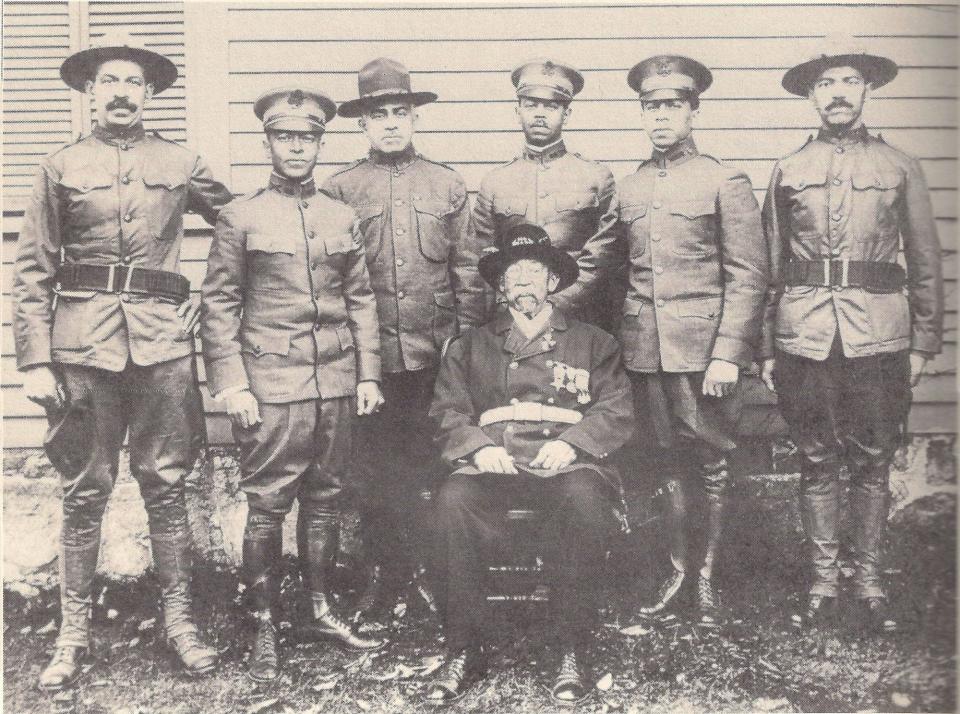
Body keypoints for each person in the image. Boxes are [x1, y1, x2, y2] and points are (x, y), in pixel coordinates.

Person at [13, 32, 232, 690]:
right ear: (89, 92)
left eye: (133, 83)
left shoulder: (182, 159)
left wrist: (213, 298)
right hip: (81, 346)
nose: (121, 93)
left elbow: (246, 227)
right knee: (85, 489)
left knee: (166, 484)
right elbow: (32, 272)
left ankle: (179, 623)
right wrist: (34, 360)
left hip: (163, 345)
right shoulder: (58, 166)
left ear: (150, 92)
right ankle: (72, 631)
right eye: (108, 81)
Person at [200, 87, 386, 683]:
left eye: (307, 138)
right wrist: (233, 385)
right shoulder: (241, 215)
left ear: (320, 143)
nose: (297, 147)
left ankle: (319, 609)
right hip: (271, 384)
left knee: (326, 499)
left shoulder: (338, 214)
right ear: (269, 143)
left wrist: (368, 374)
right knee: (267, 505)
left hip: (334, 380)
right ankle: (262, 620)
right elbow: (220, 306)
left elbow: (361, 300)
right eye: (286, 137)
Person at [759, 38, 943, 633]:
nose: (837, 93)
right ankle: (822, 581)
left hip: (880, 337)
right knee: (815, 457)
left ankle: (867, 582)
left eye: (848, 82)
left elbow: (925, 258)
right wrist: (764, 345)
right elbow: (769, 262)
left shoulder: (898, 166)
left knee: (871, 457)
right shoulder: (789, 168)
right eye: (825, 84)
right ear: (812, 96)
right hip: (804, 335)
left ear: (866, 91)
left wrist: (922, 342)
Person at [425, 223, 635, 706]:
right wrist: (477, 448)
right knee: (453, 502)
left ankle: (571, 646)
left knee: (585, 501)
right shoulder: (470, 345)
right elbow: (447, 410)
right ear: (500, 288)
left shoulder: (593, 343)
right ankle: (465, 645)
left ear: (553, 284)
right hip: (494, 464)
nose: (522, 283)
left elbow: (615, 407)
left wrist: (576, 445)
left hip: (564, 464)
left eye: (533, 272)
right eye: (512, 274)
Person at [593, 55, 769, 621]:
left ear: (694, 110)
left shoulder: (723, 179)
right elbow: (605, 270)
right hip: (646, 351)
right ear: (641, 113)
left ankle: (708, 580)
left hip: (704, 353)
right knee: (665, 461)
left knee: (713, 461)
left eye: (673, 105)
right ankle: (675, 573)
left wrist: (728, 355)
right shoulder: (628, 187)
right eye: (651, 106)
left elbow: (749, 275)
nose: (661, 116)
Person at [321, 58, 489, 621]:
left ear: (415, 117)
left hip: (433, 356)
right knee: (373, 475)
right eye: (378, 115)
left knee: (435, 469)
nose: (391, 124)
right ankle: (385, 577)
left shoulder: (446, 184)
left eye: (400, 112)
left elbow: (468, 273)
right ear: (361, 124)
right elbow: (330, 280)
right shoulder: (339, 189)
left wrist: (463, 351)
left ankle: (433, 575)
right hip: (369, 362)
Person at [472, 58, 620, 329]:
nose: (540, 114)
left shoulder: (596, 177)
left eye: (551, 106)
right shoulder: (495, 182)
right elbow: (481, 253)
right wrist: (514, 302)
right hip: (513, 318)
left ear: (567, 114)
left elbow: (605, 250)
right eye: (531, 105)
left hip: (580, 318)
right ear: (518, 111)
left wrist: (559, 302)